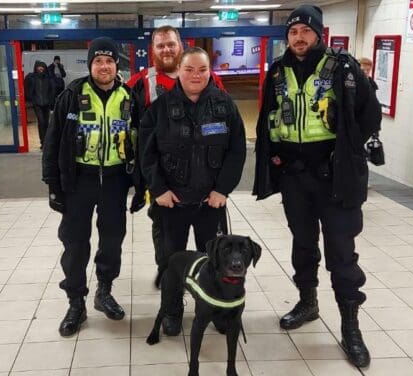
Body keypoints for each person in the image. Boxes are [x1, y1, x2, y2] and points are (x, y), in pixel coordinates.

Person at [253, 5, 382, 368]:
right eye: (293, 32)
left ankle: (350, 327)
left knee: (342, 253)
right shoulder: (278, 71)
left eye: (305, 32)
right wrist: (276, 159)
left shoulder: (344, 69)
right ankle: (308, 302)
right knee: (303, 245)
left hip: (335, 179)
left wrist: (345, 152)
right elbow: (269, 117)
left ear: (318, 34)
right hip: (295, 178)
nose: (298, 37)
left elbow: (369, 115)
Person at [140, 47, 246, 335]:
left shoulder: (224, 106)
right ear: (180, 71)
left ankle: (217, 308)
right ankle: (172, 310)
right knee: (171, 260)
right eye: (189, 69)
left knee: (215, 260)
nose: (195, 75)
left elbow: (237, 151)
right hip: (170, 203)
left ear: (209, 71)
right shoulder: (160, 108)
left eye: (201, 69)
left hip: (209, 203)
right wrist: (158, 188)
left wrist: (223, 190)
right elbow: (146, 153)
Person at [42, 37, 141, 337]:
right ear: (90, 65)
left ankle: (104, 292)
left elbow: (141, 142)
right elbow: (53, 142)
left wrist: (141, 186)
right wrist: (53, 186)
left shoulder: (128, 97)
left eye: (109, 61)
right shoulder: (72, 95)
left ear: (116, 65)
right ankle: (75, 303)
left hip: (115, 181)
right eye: (98, 61)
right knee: (75, 245)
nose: (104, 66)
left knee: (112, 241)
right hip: (78, 182)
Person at [127, 25, 225, 288]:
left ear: (181, 46)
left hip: (206, 179)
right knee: (166, 235)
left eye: (171, 44)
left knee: (211, 240)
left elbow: (225, 127)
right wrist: (146, 181)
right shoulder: (140, 82)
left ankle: (210, 286)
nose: (166, 50)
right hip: (163, 180)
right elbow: (135, 134)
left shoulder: (208, 77)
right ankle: (169, 278)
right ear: (153, 50)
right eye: (160, 45)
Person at [25, 60, 56, 149]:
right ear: (36, 67)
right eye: (39, 67)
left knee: (46, 123)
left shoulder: (48, 78)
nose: (41, 68)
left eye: (42, 67)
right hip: (37, 104)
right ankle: (43, 142)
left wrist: (52, 100)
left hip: (47, 103)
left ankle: (46, 141)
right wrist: (31, 98)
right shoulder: (32, 78)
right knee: (41, 122)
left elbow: (52, 90)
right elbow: (27, 88)